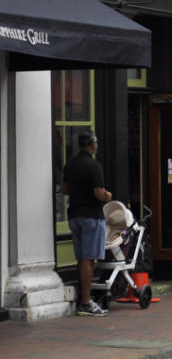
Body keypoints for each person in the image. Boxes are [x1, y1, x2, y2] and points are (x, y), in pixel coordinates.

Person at [62, 130, 112, 317]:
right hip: (91, 214)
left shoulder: (70, 164)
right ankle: (86, 302)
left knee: (81, 257)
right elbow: (99, 193)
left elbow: (66, 189)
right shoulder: (93, 166)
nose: (96, 145)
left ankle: (83, 298)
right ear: (92, 144)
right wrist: (108, 196)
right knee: (88, 258)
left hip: (74, 214)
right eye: (96, 142)